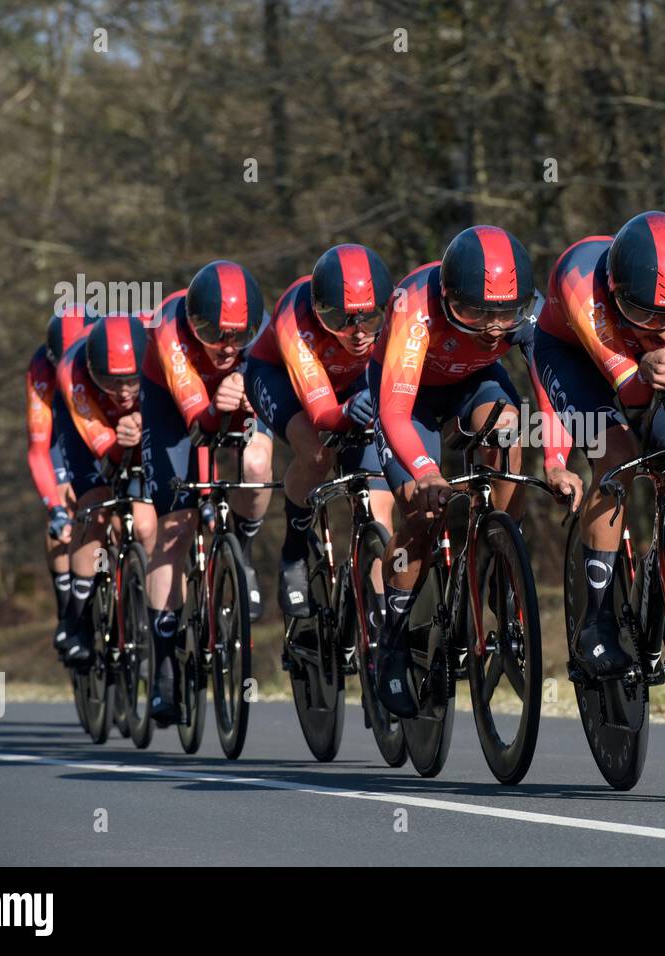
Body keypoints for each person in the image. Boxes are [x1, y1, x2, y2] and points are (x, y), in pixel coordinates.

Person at [371, 225, 581, 718]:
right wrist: (424, 470)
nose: (491, 329)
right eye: (474, 314)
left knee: (510, 427)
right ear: (447, 300)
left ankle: (497, 549)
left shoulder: (527, 317)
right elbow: (396, 412)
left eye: (503, 315)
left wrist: (555, 462)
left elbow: (550, 394)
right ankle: (393, 639)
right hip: (409, 396)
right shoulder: (414, 307)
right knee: (421, 515)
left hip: (473, 382)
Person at [533, 211, 665, 685]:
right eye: (646, 315)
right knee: (616, 456)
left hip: (643, 366)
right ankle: (595, 618)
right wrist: (649, 363)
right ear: (619, 295)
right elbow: (634, 397)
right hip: (577, 358)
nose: (661, 331)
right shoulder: (581, 281)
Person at [139, 260, 271, 723]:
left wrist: (250, 393)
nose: (227, 346)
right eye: (213, 333)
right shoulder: (168, 328)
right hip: (174, 408)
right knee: (174, 526)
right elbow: (199, 422)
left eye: (239, 336)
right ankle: (165, 666)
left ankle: (243, 554)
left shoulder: (261, 334)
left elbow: (270, 389)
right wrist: (218, 408)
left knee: (255, 464)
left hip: (234, 398)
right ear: (193, 324)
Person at [245, 243, 396, 619]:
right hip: (284, 380)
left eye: (369, 319)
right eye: (341, 319)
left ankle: (380, 621)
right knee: (316, 453)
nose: (358, 333)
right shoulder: (293, 319)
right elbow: (323, 414)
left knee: (379, 509)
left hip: (351, 384)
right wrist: (343, 412)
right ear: (319, 311)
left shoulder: (395, 317)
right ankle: (293, 554)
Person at [54, 314, 157, 665]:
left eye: (131, 380)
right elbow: (105, 451)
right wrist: (121, 442)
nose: (124, 391)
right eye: (112, 381)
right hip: (89, 429)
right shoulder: (74, 373)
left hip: (138, 428)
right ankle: (78, 617)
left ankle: (144, 603)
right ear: (95, 371)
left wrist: (145, 431)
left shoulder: (158, 358)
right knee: (95, 507)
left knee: (145, 524)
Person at [25, 306, 97, 652]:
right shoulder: (42, 369)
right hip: (61, 431)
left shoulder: (110, 349)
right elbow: (40, 447)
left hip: (100, 418)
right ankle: (68, 610)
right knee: (65, 507)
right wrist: (53, 506)